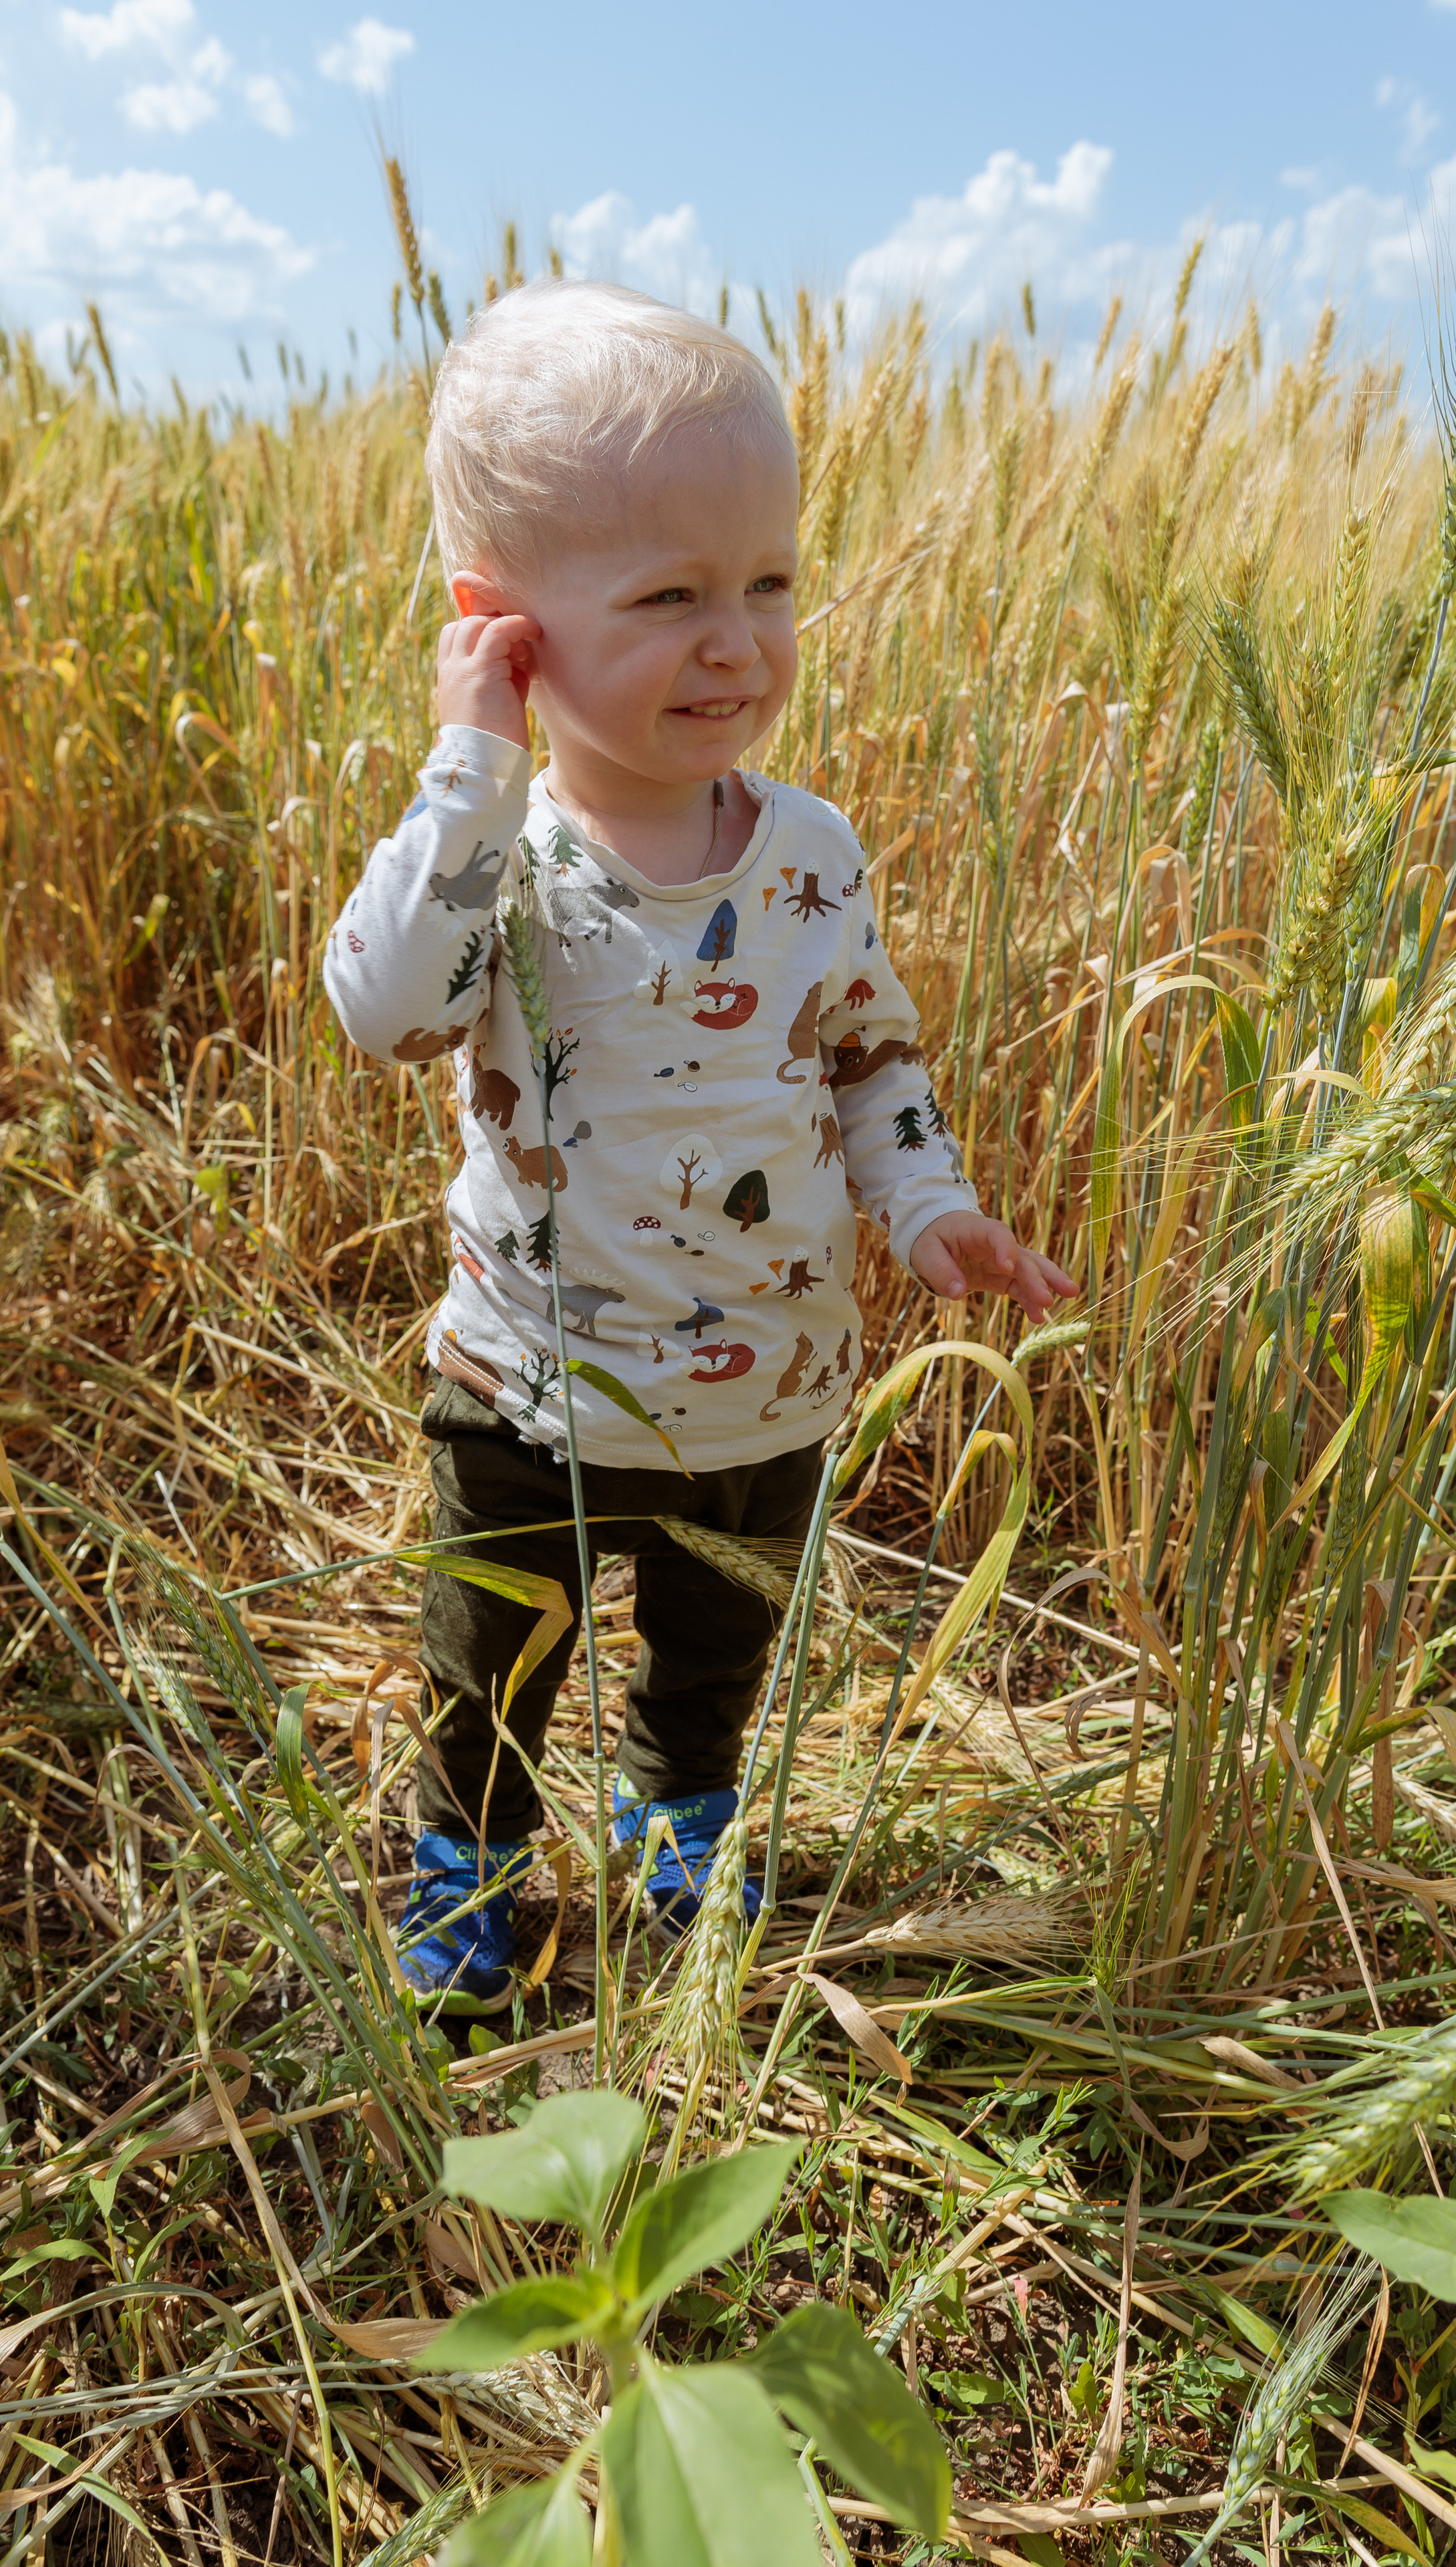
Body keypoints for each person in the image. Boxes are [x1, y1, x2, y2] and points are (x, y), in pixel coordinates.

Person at [324, 279, 1078, 2013]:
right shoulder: (497, 852)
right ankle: (475, 1866)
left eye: (768, 584)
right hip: (526, 1391)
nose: (736, 641)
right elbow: (388, 1015)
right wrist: (467, 767)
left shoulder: (810, 852)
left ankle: (680, 1840)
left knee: (710, 1658)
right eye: (670, 596)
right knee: (489, 1667)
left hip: (772, 1390)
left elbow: (867, 1049)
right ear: (502, 631)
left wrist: (930, 1202)